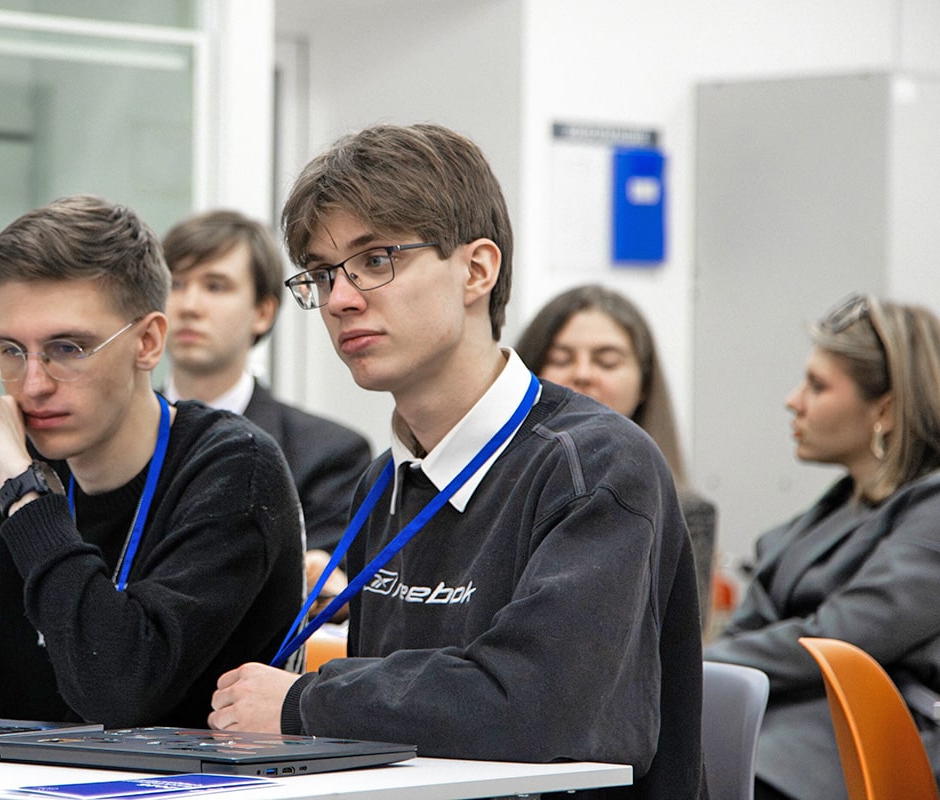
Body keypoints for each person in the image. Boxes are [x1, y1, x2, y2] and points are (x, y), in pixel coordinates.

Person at [208, 123, 705, 799]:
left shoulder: (593, 464)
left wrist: (304, 703)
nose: (341, 299)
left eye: (375, 260)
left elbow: (540, 705)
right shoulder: (385, 479)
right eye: (323, 274)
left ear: (477, 270)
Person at [0, 194, 305, 729]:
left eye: (68, 348)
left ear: (148, 342)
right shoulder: (19, 473)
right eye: (12, 351)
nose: (33, 385)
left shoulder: (234, 469)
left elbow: (119, 693)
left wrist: (23, 490)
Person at [704, 293, 940, 800]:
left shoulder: (933, 511)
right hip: (787, 727)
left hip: (862, 744)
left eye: (817, 385)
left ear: (885, 409)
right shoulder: (821, 517)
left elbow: (842, 638)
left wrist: (681, 665)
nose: (794, 401)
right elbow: (753, 625)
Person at [161, 209, 372, 609]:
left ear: (263, 312)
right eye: (175, 284)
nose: (188, 305)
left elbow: (326, 585)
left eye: (215, 286)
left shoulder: (329, 455)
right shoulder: (112, 436)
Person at [515, 284, 718, 635]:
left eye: (606, 361)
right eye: (560, 359)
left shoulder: (686, 512)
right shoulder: (496, 496)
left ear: (644, 384)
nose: (582, 374)